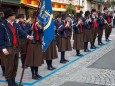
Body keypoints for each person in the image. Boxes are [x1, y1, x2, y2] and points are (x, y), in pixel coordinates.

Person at [0, 8, 33, 86]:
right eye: (13, 14)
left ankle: (13, 82)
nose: (15, 16)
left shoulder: (15, 24)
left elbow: (21, 32)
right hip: (8, 48)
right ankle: (9, 83)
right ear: (9, 16)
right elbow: (0, 38)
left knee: (15, 66)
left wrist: (28, 36)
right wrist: (3, 48)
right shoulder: (2, 25)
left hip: (16, 47)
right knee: (9, 67)